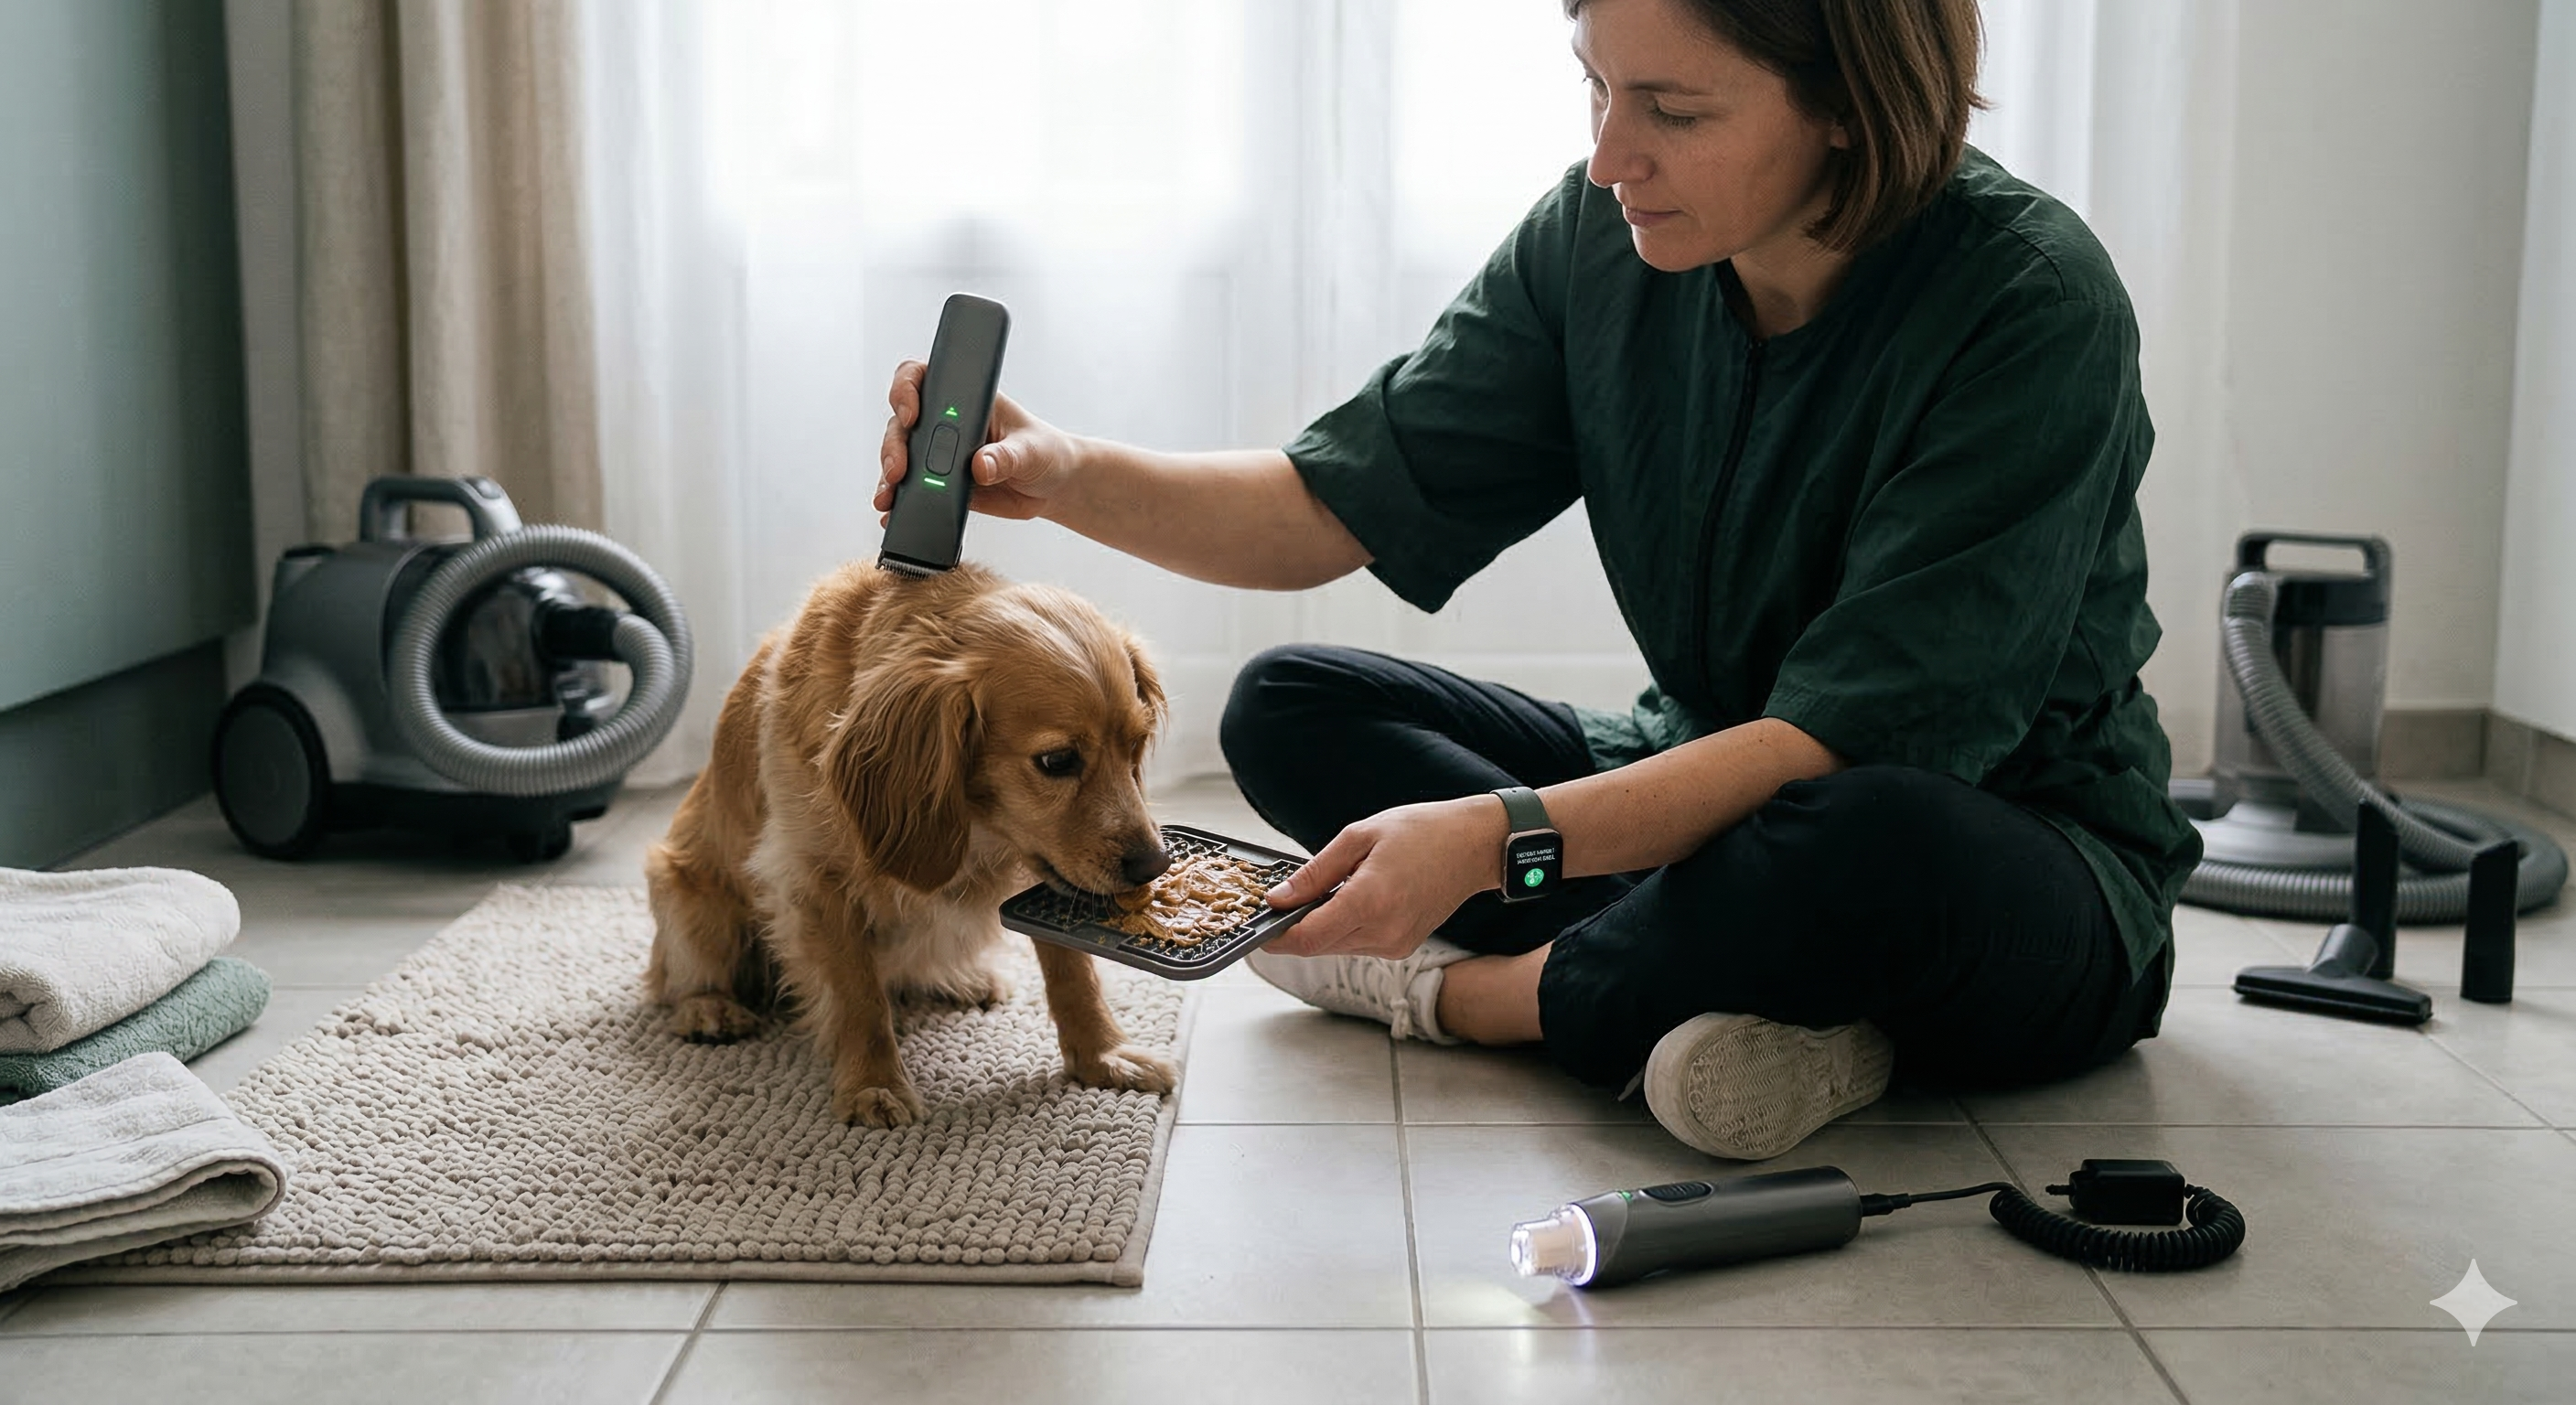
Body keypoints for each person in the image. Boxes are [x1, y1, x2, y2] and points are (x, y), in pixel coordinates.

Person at [875, 0, 2201, 1161]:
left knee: (1860, 841)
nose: (1611, 155)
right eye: (1597, 86)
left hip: (2003, 854)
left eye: (1672, 109)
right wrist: (1058, 470)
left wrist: (1492, 847)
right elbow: (1331, 504)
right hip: (1707, 787)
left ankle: (1480, 1001)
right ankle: (1728, 986)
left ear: (1850, 105)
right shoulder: (1601, 236)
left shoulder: (2032, 305)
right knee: (1288, 706)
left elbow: (1850, 743)